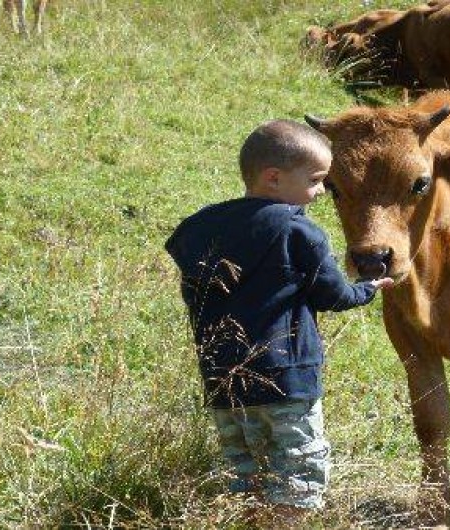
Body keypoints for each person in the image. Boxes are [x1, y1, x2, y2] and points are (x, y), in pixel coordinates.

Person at [164, 119, 393, 526]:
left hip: (223, 380)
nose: (322, 191)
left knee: (245, 478)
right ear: (274, 178)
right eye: (316, 180)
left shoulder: (199, 228)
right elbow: (333, 295)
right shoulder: (298, 230)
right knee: (296, 480)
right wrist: (369, 286)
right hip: (287, 381)